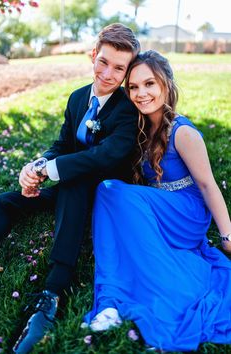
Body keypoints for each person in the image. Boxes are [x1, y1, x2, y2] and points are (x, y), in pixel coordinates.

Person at [0, 23, 140, 353]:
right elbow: (61, 144)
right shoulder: (78, 98)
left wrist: (52, 169)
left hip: (106, 195)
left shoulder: (128, 110)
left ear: (127, 71)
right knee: (5, 201)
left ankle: (53, 292)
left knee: (76, 179)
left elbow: (105, 156)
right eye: (104, 62)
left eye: (119, 68)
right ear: (93, 56)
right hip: (68, 184)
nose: (108, 73)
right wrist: (37, 166)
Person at [83, 50, 231, 352]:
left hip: (186, 213)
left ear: (165, 83)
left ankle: (141, 299)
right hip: (157, 208)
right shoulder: (139, 127)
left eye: (149, 84)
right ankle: (110, 302)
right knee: (110, 196)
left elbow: (208, 185)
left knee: (111, 191)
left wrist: (227, 235)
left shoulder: (183, 131)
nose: (141, 93)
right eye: (134, 87)